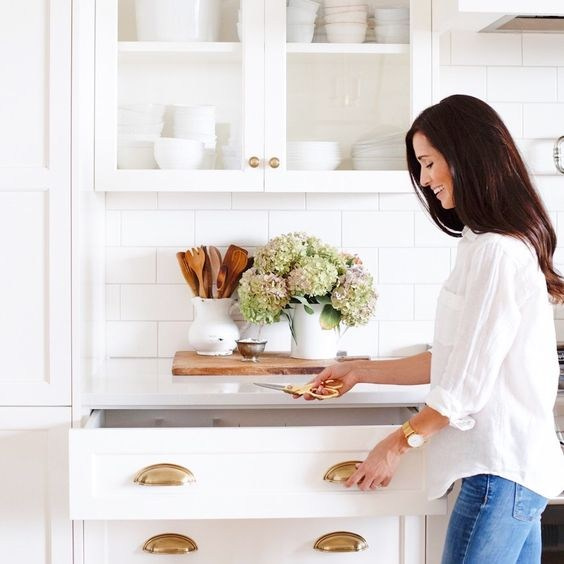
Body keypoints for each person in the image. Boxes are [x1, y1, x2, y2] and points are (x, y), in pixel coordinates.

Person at [299, 95, 564, 563]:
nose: (424, 179)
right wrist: (360, 370)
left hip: (499, 474)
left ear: (465, 158)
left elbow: (464, 385)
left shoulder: (497, 253)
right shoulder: (482, 243)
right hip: (509, 474)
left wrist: (397, 445)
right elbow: (456, 358)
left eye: (428, 162)